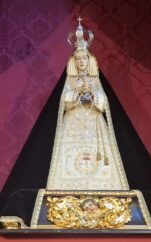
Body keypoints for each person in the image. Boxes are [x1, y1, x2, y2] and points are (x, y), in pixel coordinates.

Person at [46, 18, 129, 191]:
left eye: (84, 58)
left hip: (93, 121)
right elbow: (64, 101)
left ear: (89, 59)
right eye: (78, 59)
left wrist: (92, 94)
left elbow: (103, 102)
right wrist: (77, 92)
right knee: (70, 155)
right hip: (73, 122)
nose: (81, 61)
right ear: (74, 61)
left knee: (98, 156)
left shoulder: (94, 79)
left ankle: (104, 186)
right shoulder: (70, 79)